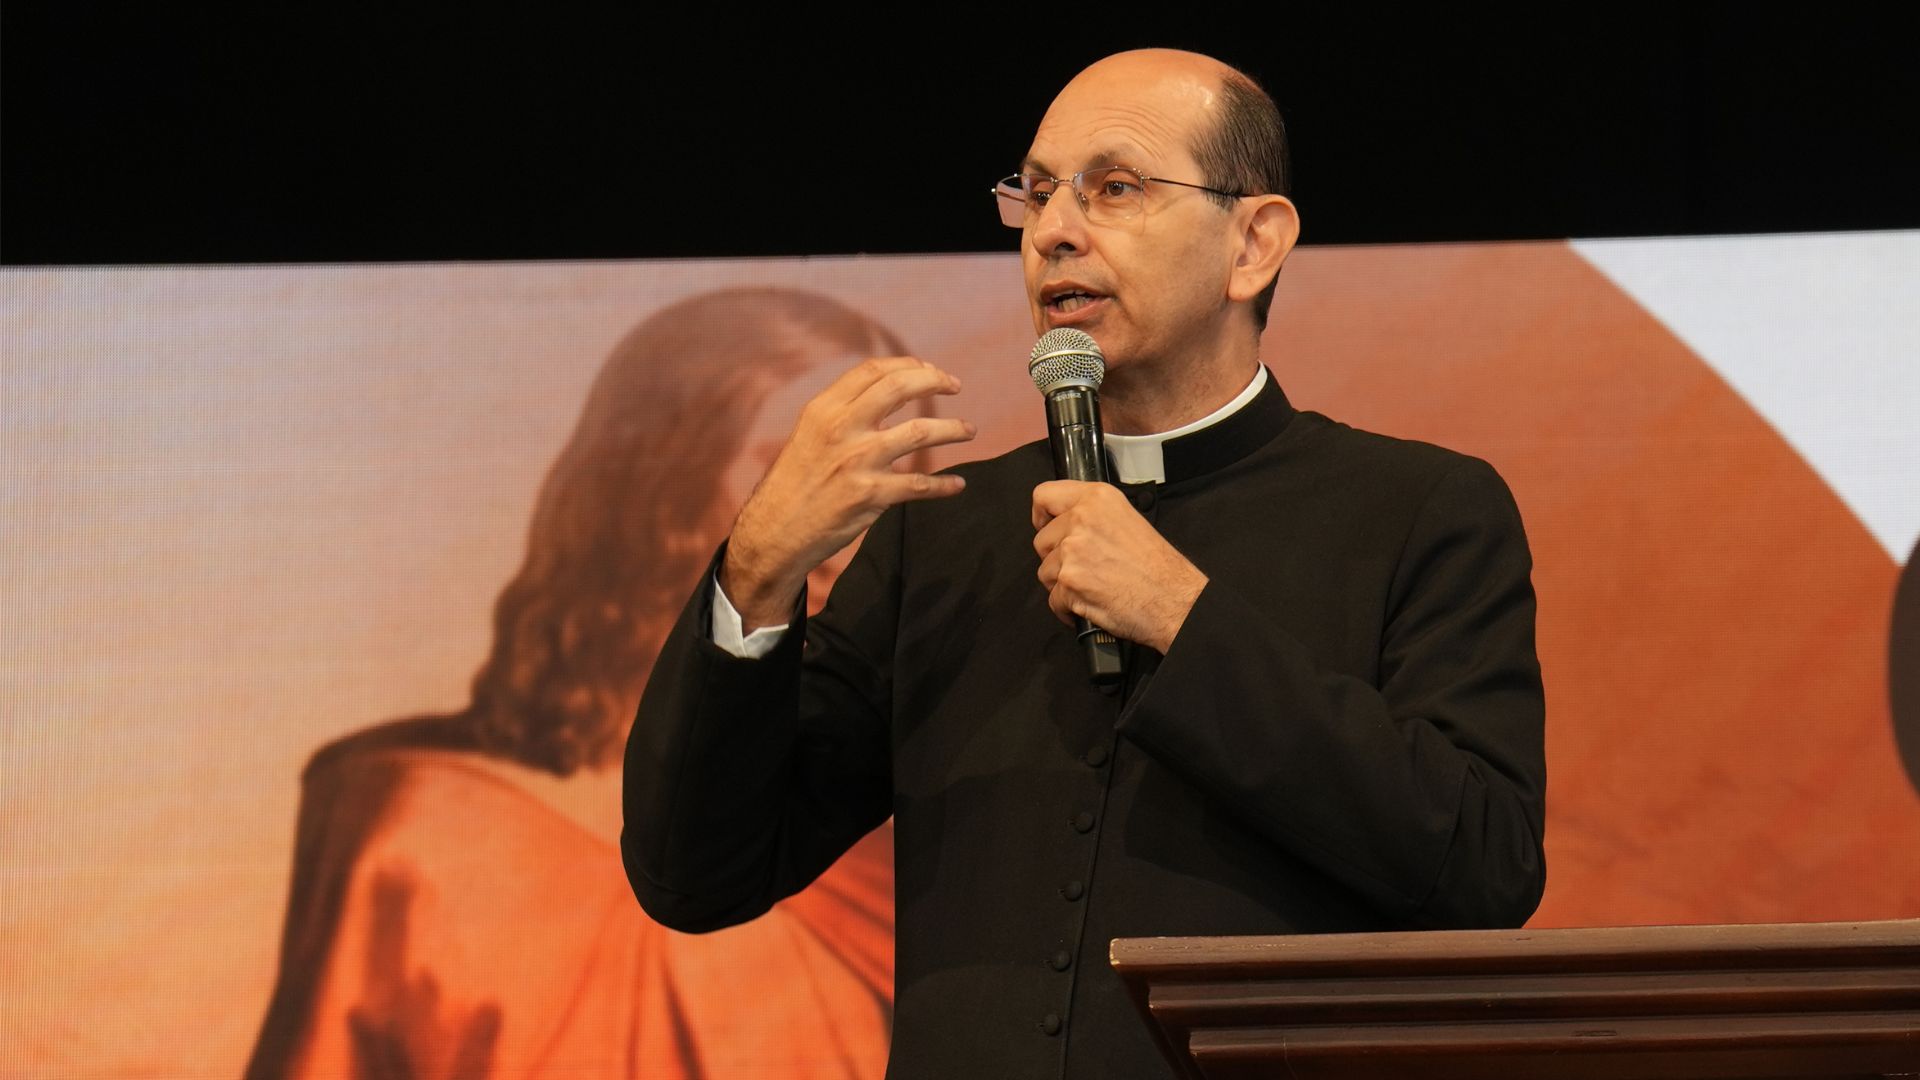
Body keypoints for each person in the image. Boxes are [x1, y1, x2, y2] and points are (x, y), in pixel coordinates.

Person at [623, 49, 1546, 1079]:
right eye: (1036, 192)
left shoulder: (1418, 510)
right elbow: (697, 876)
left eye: (1114, 188)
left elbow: (1484, 867)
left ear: (1254, 243)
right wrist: (757, 571)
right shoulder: (944, 531)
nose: (1052, 230)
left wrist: (1186, 622)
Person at [248, 287, 924, 1079]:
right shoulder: (419, 820)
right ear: (661, 479)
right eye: (805, 471)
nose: (855, 520)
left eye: (892, 479)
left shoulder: (898, 832)